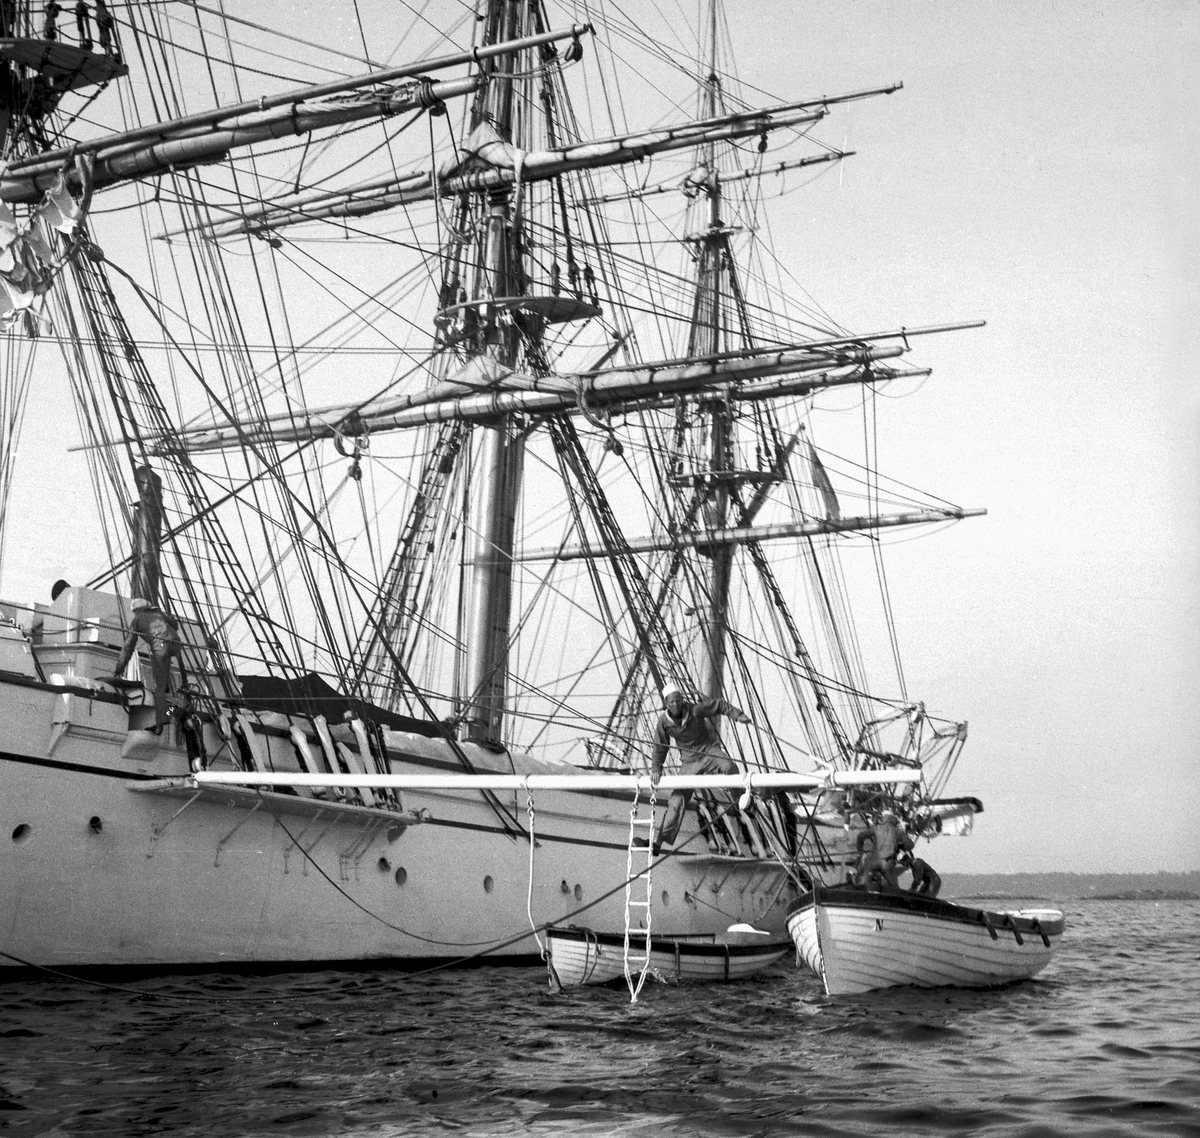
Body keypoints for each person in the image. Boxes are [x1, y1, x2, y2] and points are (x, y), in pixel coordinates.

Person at [646, 682, 751, 850]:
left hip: (709, 751)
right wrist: (656, 769)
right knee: (677, 800)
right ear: (666, 703)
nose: (676, 704)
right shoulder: (664, 722)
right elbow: (660, 747)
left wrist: (737, 715)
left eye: (678, 700)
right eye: (672, 702)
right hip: (689, 761)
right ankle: (659, 842)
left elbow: (719, 705)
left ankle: (744, 801)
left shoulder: (695, 710)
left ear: (682, 699)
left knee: (729, 767)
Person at [107, 598, 183, 733]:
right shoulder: (158, 614)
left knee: (159, 689)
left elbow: (128, 647)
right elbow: (174, 625)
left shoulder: (137, 620)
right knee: (163, 680)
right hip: (176, 645)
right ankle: (169, 705)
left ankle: (160, 724)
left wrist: (119, 668)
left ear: (136, 611)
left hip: (160, 648)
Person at [855, 809, 914, 889]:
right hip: (888, 863)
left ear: (884, 818)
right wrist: (900, 847)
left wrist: (860, 850)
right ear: (893, 819)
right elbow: (910, 845)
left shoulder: (876, 828)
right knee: (894, 887)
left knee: (863, 884)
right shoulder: (898, 831)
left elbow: (860, 836)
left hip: (874, 862)